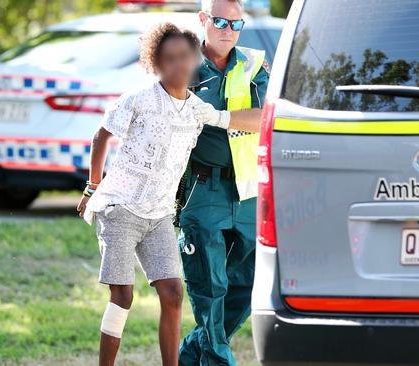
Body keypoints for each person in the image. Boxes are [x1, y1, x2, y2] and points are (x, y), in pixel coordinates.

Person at [75, 22, 251, 366]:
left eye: (185, 57)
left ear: (194, 60)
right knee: (123, 296)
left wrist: (275, 112)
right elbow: (101, 137)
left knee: (173, 293)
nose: (179, 65)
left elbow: (231, 119)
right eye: (169, 59)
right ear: (156, 64)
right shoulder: (139, 99)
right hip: (120, 208)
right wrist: (93, 187)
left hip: (158, 216)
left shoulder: (198, 108)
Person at [177, 0, 269, 364]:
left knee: (247, 286)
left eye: (235, 24)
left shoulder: (252, 62)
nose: (228, 30)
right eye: (219, 21)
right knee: (209, 286)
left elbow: (261, 117)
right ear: (203, 20)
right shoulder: (182, 61)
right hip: (202, 189)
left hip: (246, 190)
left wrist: (215, 116)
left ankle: (190, 353)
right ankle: (218, 359)